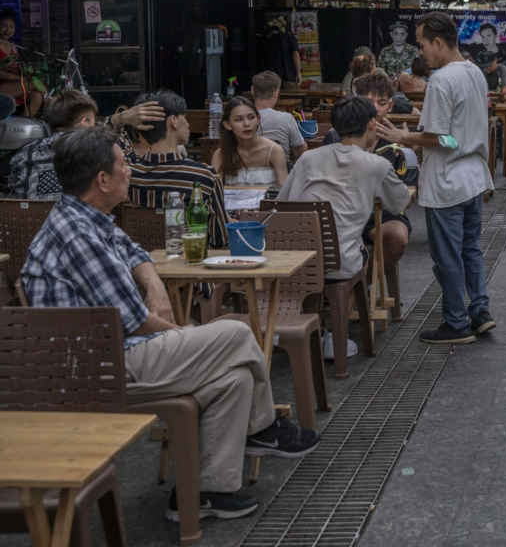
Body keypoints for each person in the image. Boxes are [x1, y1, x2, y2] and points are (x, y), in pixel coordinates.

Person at [22, 126, 318, 522]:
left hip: (113, 353)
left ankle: (207, 491)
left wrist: (153, 279)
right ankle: (263, 428)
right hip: (100, 368)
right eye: (123, 165)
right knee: (235, 333)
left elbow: (132, 250)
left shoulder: (85, 216)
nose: (131, 172)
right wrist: (186, 335)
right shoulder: (77, 235)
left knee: (235, 379)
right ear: (102, 180)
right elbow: (133, 320)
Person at [374, 13, 495, 345]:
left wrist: (406, 136)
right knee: (470, 250)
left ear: (439, 43)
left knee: (447, 256)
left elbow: (441, 138)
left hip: (448, 180)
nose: (421, 50)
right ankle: (480, 312)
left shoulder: (442, 80)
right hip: (473, 175)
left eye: (423, 43)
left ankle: (456, 322)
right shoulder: (475, 72)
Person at [280, 95, 410, 282]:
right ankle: (360, 297)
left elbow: (283, 202)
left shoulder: (307, 158)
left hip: (298, 259)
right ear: (372, 123)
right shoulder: (376, 164)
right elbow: (399, 203)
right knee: (360, 249)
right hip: (342, 263)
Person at [127, 90, 230, 248]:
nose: (188, 125)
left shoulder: (127, 175)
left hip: (138, 264)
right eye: (185, 118)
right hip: (189, 264)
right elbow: (220, 240)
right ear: (173, 120)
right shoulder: (204, 177)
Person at [7, 90, 98, 198]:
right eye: (93, 123)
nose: (94, 128)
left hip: (28, 213)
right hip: (73, 213)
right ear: (85, 121)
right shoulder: (92, 151)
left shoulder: (24, 153)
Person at [211, 96, 287, 187]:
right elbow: (214, 190)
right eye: (238, 119)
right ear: (227, 125)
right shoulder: (220, 154)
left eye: (251, 117)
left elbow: (284, 191)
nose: (246, 124)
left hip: (266, 200)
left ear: (258, 119)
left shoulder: (274, 151)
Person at [250, 70, 307, 164]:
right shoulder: (286, 118)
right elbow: (300, 149)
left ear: (252, 90)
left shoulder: (240, 119)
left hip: (249, 171)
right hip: (281, 172)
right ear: (276, 92)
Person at [0, 8, 41, 117]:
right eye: (4, 26)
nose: (8, 30)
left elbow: (17, 67)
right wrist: (19, 78)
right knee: (33, 84)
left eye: (11, 27)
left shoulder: (14, 47)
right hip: (3, 85)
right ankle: (49, 97)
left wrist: (27, 71)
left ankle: (24, 125)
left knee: (36, 96)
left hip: (15, 85)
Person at [262, 16, 302, 85]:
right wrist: (298, 73)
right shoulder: (289, 36)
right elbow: (295, 54)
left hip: (272, 75)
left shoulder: (268, 38)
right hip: (288, 75)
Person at [473, 23, 506, 92]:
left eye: (489, 36)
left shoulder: (505, 55)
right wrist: (487, 71)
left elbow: (505, 88)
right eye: (483, 37)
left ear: (495, 36)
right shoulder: (479, 56)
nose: (486, 40)